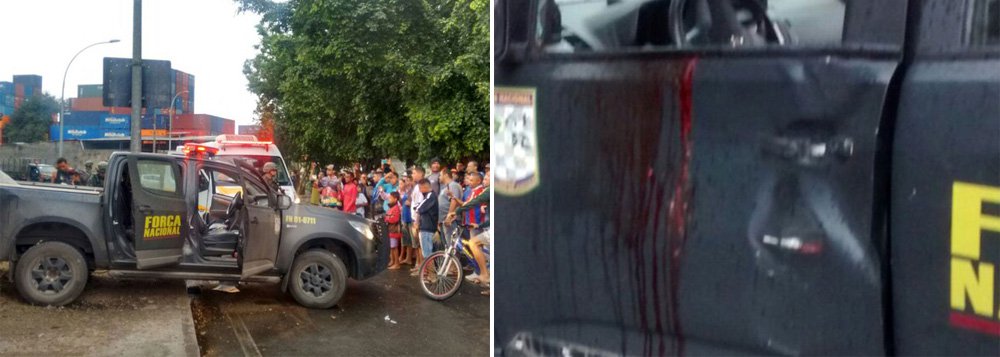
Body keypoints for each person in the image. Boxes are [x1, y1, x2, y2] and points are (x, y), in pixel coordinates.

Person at [446, 174, 491, 292]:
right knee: (479, 248)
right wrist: (480, 225)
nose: (484, 180)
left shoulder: (487, 191)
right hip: (479, 224)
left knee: (473, 243)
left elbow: (474, 202)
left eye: (487, 178)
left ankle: (484, 274)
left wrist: (457, 212)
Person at [414, 179, 439, 277]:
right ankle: (430, 274)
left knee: (428, 254)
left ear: (424, 187)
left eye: (420, 188)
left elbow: (419, 208)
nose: (420, 190)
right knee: (427, 253)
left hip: (427, 228)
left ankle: (432, 276)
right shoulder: (429, 196)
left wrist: (416, 208)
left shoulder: (430, 196)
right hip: (426, 227)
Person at [437, 168, 463, 248]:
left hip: (451, 221)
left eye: (440, 175)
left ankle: (454, 261)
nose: (439, 177)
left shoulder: (453, 185)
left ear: (446, 175)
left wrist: (449, 216)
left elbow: (454, 201)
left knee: (452, 246)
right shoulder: (446, 187)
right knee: (448, 246)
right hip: (445, 221)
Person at [384, 192, 403, 270]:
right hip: (391, 230)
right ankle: (393, 261)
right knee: (392, 247)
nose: (389, 199)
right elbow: (387, 217)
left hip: (394, 231)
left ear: (395, 199)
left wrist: (388, 218)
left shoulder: (396, 208)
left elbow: (394, 219)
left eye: (391, 198)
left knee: (394, 247)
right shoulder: (392, 207)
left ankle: (397, 263)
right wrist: (388, 217)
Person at [399, 178, 415, 266]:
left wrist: (411, 203)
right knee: (407, 239)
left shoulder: (414, 190)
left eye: (409, 180)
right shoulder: (407, 191)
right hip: (405, 217)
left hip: (410, 218)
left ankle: (410, 258)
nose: (408, 182)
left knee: (412, 240)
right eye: (406, 181)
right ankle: (407, 258)